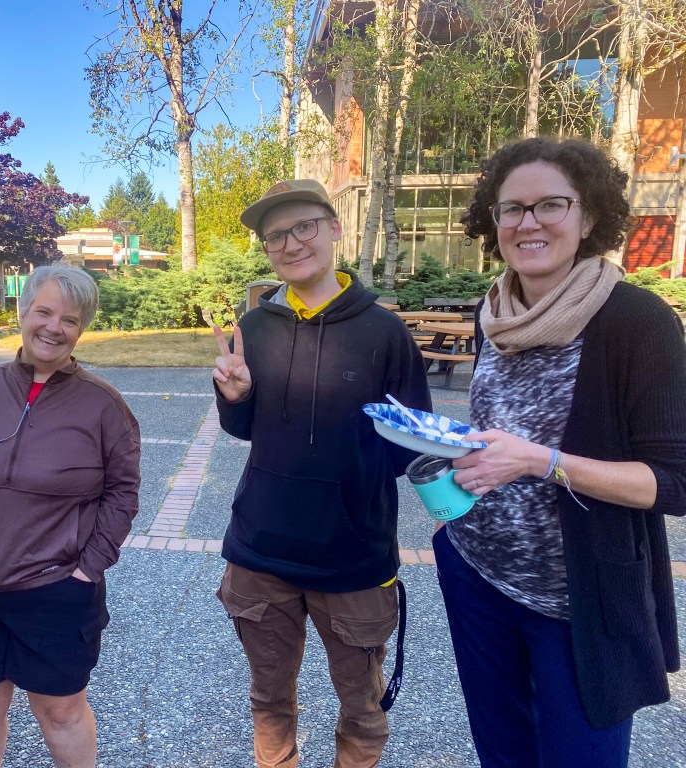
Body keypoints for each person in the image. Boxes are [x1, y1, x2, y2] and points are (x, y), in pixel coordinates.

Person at [435, 136, 686, 768]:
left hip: (579, 595)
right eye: (510, 208)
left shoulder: (636, 321)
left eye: (551, 204)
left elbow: (674, 482)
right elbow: (500, 434)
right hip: (479, 574)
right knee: (504, 755)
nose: (528, 222)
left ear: (589, 215)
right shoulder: (491, 315)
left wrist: (540, 461)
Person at [212, 179, 432, 768]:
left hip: (353, 557)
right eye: (274, 236)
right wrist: (233, 397)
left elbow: (411, 446)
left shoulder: (386, 333)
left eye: (303, 226)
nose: (290, 243)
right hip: (261, 551)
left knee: (361, 709)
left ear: (335, 228)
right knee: (269, 701)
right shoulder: (252, 328)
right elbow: (245, 429)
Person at [0, 264, 140, 768]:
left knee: (60, 711)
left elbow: (123, 492)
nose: (53, 327)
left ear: (81, 330)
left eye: (70, 319)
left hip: (55, 588)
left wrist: (88, 568)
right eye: (44, 311)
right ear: (23, 313)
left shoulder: (102, 404)